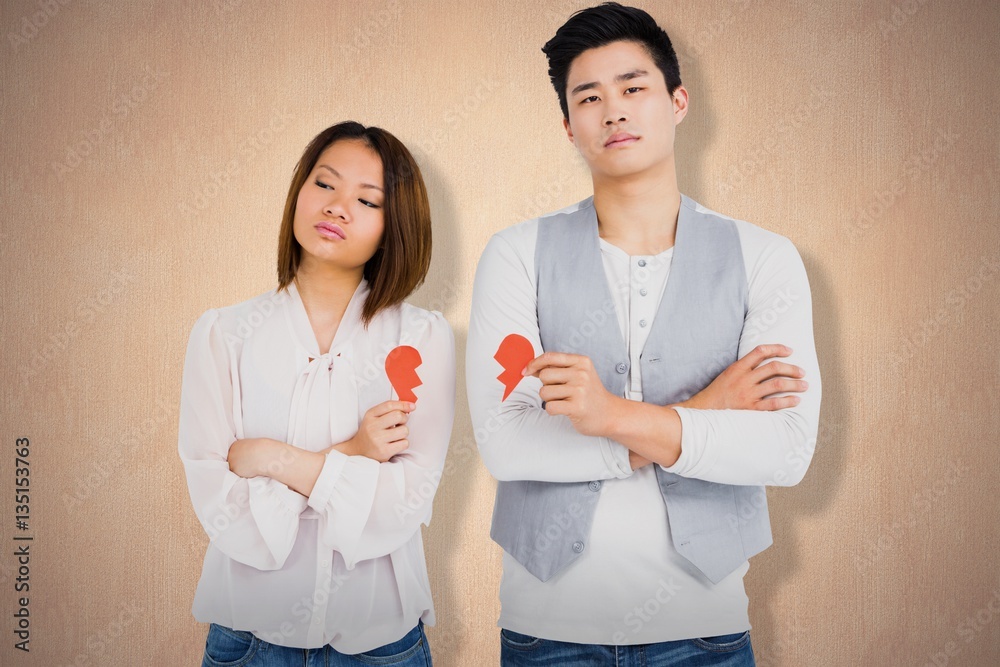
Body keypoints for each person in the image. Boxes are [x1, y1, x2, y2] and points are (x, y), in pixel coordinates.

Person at [466, 3, 822, 665]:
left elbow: (786, 449)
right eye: (590, 97)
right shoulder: (516, 255)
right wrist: (709, 407)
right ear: (569, 126)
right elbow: (507, 443)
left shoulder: (764, 257)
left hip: (706, 629)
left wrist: (609, 417)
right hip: (549, 631)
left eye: (634, 88)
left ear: (678, 100)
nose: (615, 111)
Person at [178, 121, 454, 666]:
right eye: (324, 184)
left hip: (381, 644)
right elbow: (222, 507)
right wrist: (351, 454)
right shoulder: (221, 334)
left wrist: (267, 458)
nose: (337, 206)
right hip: (248, 642)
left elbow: (405, 500)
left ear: (393, 225)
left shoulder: (421, 338)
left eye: (367, 199)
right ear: (299, 192)